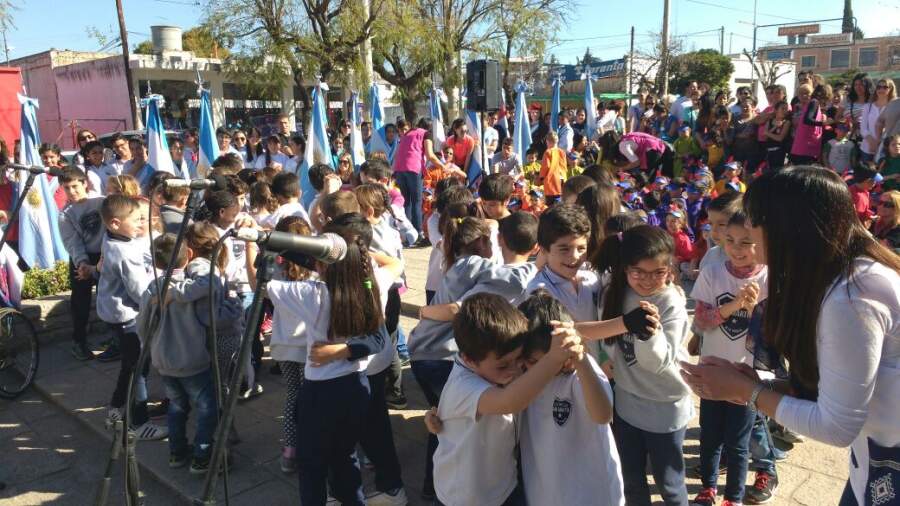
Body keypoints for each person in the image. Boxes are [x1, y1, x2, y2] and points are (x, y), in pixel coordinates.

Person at [680, 166, 900, 506]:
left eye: (755, 221)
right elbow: (839, 385)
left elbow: (836, 426)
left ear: (785, 227)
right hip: (873, 458)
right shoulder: (840, 274)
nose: (748, 231)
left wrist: (748, 392)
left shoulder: (852, 298)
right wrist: (762, 383)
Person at [259, 214, 390, 506]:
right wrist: (345, 350)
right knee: (345, 455)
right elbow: (379, 339)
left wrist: (262, 245)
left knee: (312, 464)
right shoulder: (368, 285)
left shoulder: (313, 295)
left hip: (320, 392)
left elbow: (261, 283)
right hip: (356, 387)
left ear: (322, 264)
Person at [431, 292, 583, 506]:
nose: (515, 370)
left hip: (503, 486)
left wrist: (572, 340)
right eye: (503, 365)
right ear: (469, 359)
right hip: (465, 498)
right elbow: (509, 402)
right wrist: (553, 359)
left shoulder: (492, 362)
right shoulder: (462, 386)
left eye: (519, 358)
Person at [592, 224, 692, 506]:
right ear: (625, 268)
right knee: (631, 479)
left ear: (670, 269)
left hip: (665, 405)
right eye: (638, 272)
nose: (648, 281)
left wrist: (649, 333)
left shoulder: (670, 302)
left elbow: (656, 363)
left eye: (658, 272)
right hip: (627, 402)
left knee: (669, 483)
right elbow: (604, 338)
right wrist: (604, 358)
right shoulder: (614, 293)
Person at [689, 210, 767, 506]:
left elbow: (774, 334)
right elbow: (701, 320)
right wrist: (734, 305)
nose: (736, 248)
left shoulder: (769, 277)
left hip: (747, 376)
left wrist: (755, 310)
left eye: (746, 242)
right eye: (730, 240)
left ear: (760, 242)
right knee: (710, 435)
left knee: (738, 442)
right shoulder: (712, 272)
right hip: (711, 368)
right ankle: (708, 487)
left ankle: (732, 497)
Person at [136, 233, 219, 473]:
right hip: (192, 359)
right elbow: (212, 288)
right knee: (207, 407)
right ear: (189, 255)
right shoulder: (190, 287)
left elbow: (141, 325)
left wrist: (150, 346)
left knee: (176, 405)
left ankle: (177, 452)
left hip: (164, 360)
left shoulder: (152, 288)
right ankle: (202, 454)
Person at [97, 194, 168, 440]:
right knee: (139, 368)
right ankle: (139, 422)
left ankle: (116, 408)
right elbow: (140, 292)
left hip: (114, 313)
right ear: (115, 223)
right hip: (127, 317)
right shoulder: (123, 253)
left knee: (129, 365)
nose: (141, 224)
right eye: (136, 220)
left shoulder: (114, 238)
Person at [58, 167, 105, 361]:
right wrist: (83, 264)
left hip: (104, 254)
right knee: (80, 302)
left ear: (84, 183)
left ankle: (116, 337)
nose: (72, 191)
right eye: (66, 188)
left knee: (108, 296)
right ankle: (79, 341)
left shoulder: (101, 201)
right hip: (82, 258)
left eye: (75, 186)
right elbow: (73, 242)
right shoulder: (65, 214)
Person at [393, 117, 444, 237]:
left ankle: (407, 232)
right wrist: (443, 167)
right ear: (429, 127)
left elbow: (396, 154)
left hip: (399, 169)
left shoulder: (407, 133)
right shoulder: (426, 134)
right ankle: (418, 232)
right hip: (413, 168)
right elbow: (430, 155)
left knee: (406, 201)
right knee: (416, 201)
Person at [789, 84, 825, 165]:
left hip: (808, 145)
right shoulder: (801, 107)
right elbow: (805, 120)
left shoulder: (813, 104)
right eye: (801, 93)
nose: (804, 95)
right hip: (802, 146)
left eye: (807, 93)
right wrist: (822, 123)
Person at [538, 131, 567, 205]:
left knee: (550, 205)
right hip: (561, 179)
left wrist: (541, 177)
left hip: (551, 180)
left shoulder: (548, 152)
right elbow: (564, 166)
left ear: (547, 141)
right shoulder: (562, 152)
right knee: (559, 201)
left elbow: (546, 167)